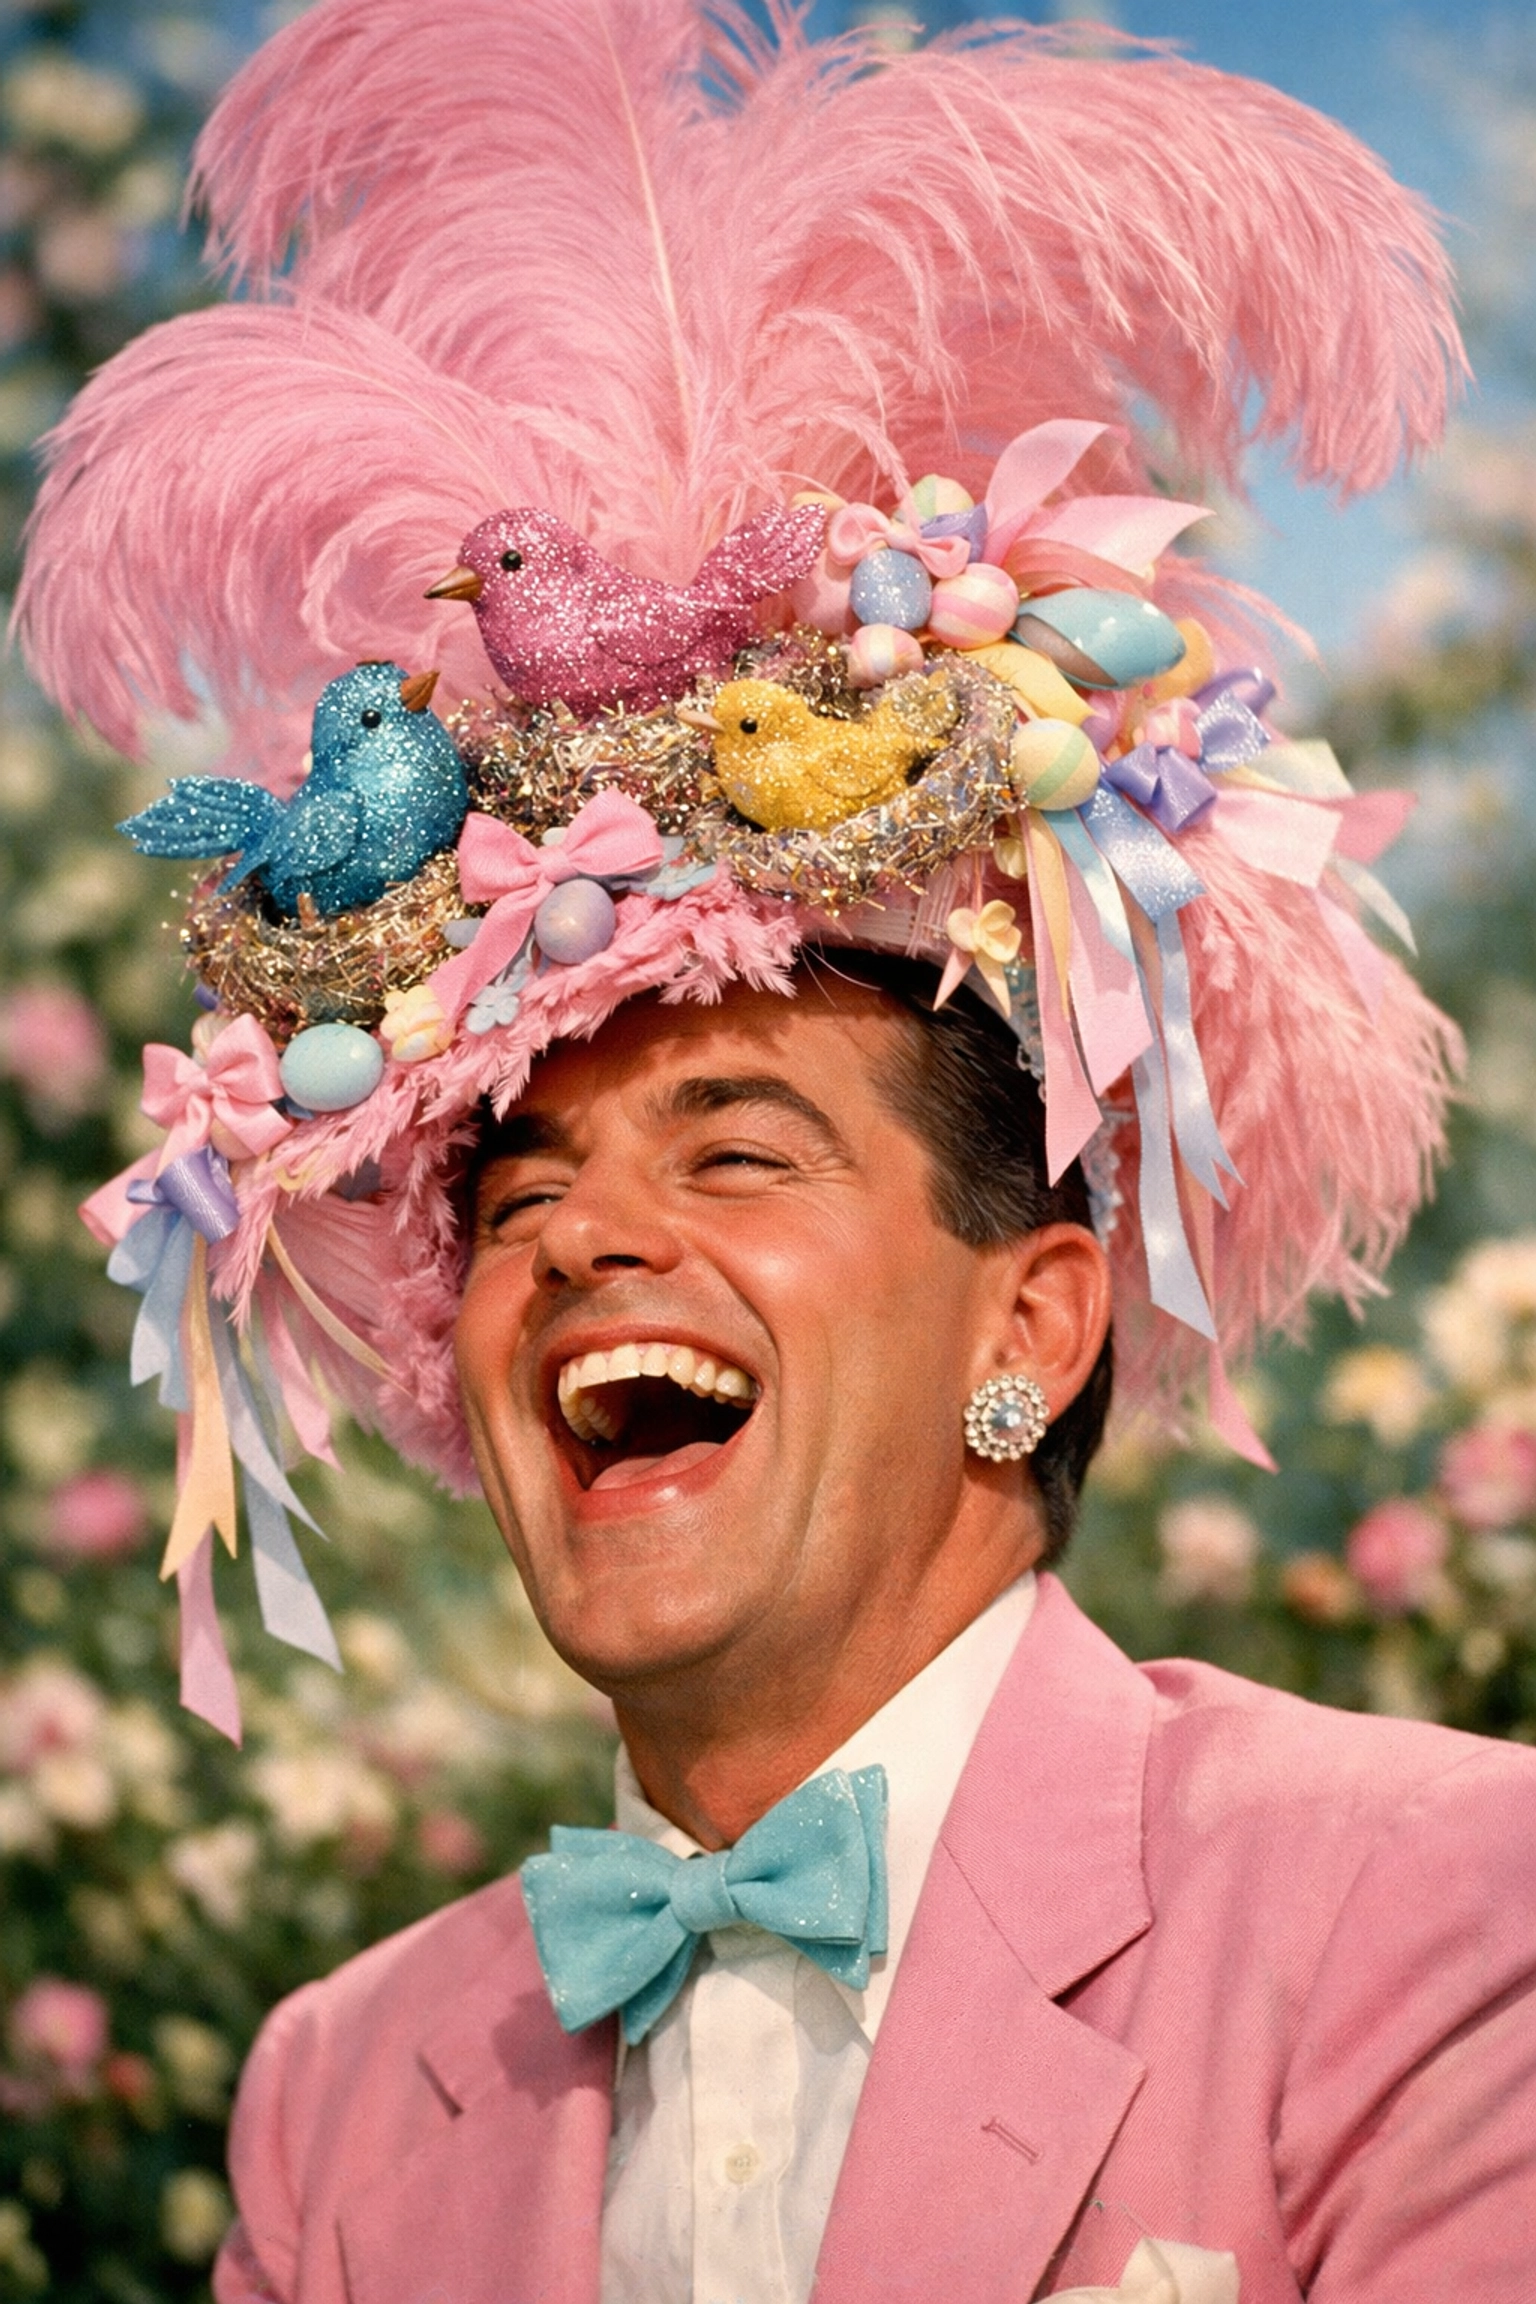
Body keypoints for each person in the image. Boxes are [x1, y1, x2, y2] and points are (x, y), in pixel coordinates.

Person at [17, 1, 1533, 2297]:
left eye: (735, 1156)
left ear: (1027, 1325)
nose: (583, 1244)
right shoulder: (337, 2094)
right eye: (514, 1198)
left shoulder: (1438, 1916)